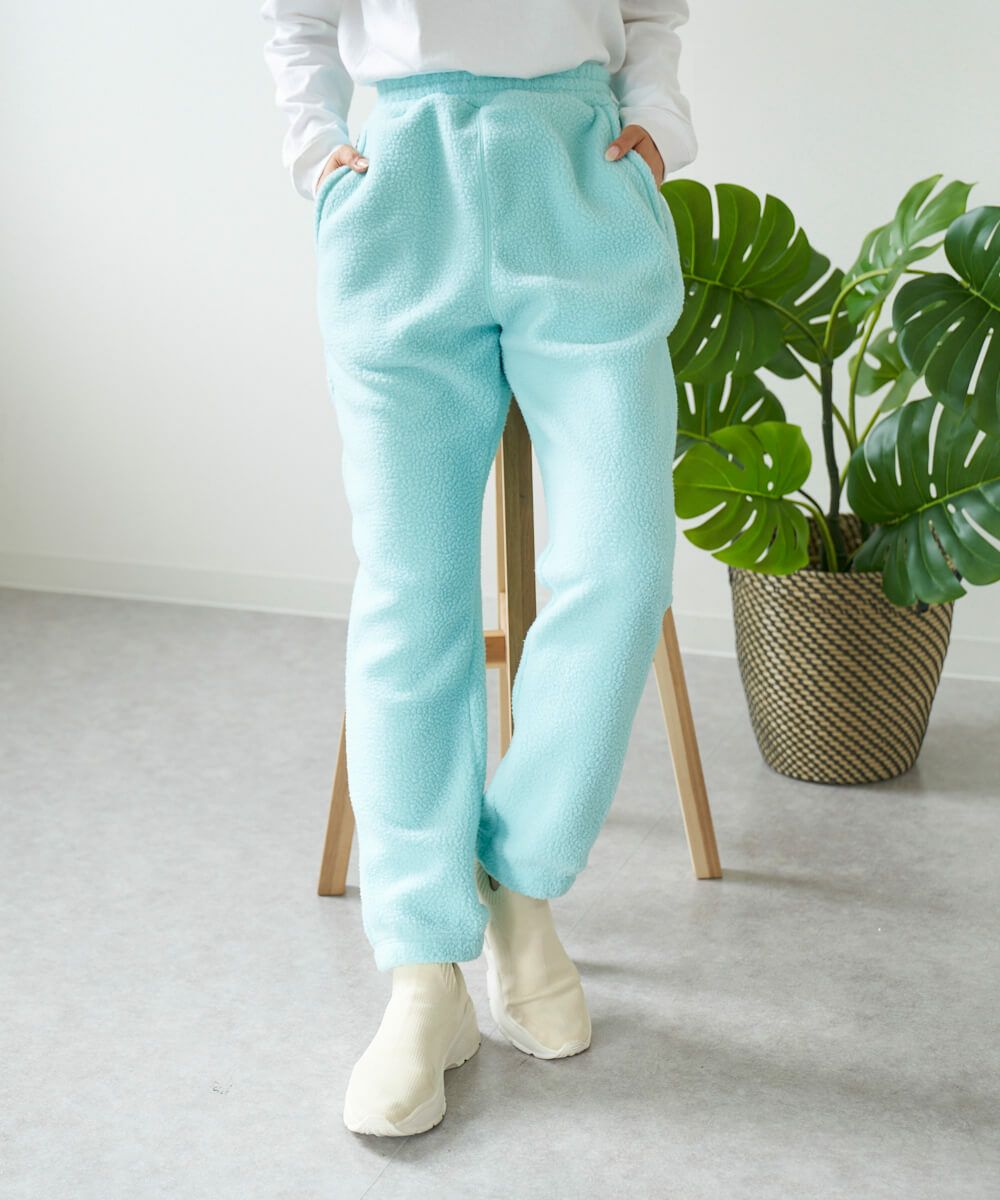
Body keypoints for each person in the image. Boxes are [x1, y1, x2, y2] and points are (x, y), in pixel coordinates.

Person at [260, 0, 696, 1137]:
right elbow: (297, 18)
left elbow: (652, 10)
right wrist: (317, 152)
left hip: (579, 175)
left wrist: (655, 120)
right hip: (402, 186)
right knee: (412, 597)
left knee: (623, 560)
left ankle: (518, 879)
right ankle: (423, 975)